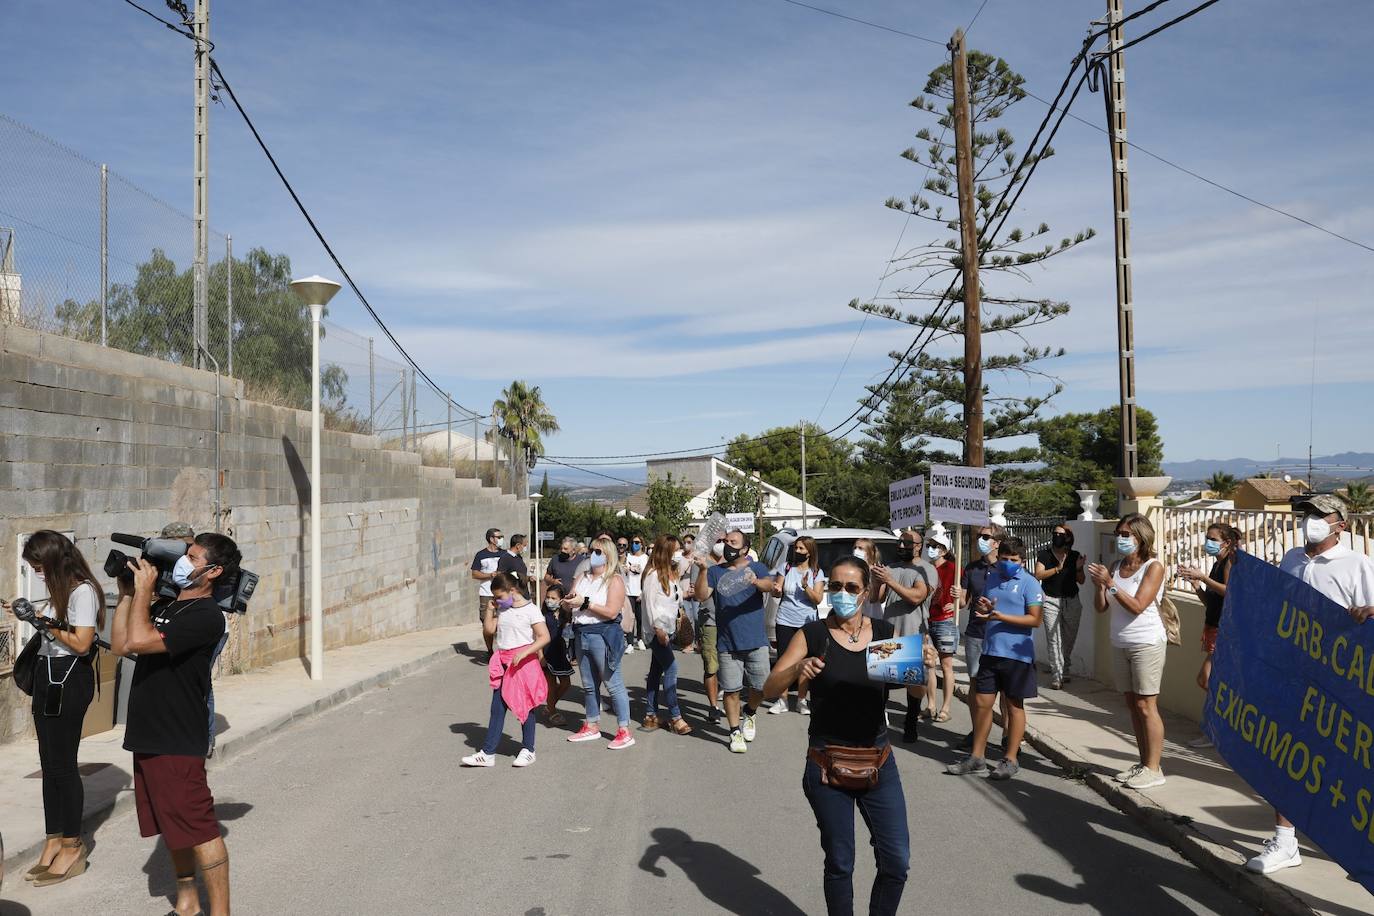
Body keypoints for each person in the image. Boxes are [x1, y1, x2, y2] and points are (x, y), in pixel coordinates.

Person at [764, 555, 909, 916]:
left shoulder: (885, 635)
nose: (841, 593)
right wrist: (799, 668)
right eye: (835, 586)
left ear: (865, 593)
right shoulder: (813, 635)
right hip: (827, 763)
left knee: (896, 862)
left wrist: (926, 668)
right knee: (841, 862)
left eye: (851, 587)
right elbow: (769, 688)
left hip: (878, 761)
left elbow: (911, 693)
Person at [112, 532, 240, 916]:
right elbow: (121, 645)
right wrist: (127, 594)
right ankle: (187, 903)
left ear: (214, 571)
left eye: (195, 557)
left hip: (177, 738)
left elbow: (139, 637)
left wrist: (145, 590)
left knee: (199, 827)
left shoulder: (207, 616)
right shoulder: (170, 605)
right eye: (186, 554)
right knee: (174, 825)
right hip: (149, 733)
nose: (185, 561)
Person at [1246, 494, 1373, 874]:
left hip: (1340, 684)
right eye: (1307, 514)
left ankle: (1354, 845)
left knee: (1343, 764)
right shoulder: (1291, 559)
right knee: (1288, 756)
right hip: (1293, 674)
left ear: (1341, 525)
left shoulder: (1358, 564)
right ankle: (1285, 841)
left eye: (1320, 515)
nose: (1311, 520)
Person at [5, 532, 102, 886]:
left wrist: (45, 623)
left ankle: (72, 845)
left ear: (55, 562)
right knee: (49, 766)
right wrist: (33, 617)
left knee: (63, 766)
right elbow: (54, 634)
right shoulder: (61, 593)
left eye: (40, 568)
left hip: (69, 681)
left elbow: (81, 642)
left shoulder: (83, 592)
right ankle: (52, 840)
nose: (38, 574)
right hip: (48, 678)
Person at [946, 537, 1043, 781]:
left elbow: (1035, 620)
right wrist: (989, 609)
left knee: (1014, 706)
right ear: (998, 558)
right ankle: (977, 757)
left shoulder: (1030, 584)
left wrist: (1000, 617)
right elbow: (991, 610)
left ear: (1022, 561)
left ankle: (1010, 759)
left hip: (1017, 655)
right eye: (1004, 559)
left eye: (1014, 560)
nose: (1008, 563)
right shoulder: (993, 579)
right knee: (981, 703)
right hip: (990, 651)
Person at [1087, 513, 1168, 790]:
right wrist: (1101, 587)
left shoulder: (1153, 567)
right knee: (1133, 706)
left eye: (1125, 534)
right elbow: (1101, 608)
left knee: (1147, 705)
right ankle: (1143, 763)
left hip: (1146, 642)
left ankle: (1155, 768)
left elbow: (1138, 605)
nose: (1120, 538)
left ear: (1140, 537)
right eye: (1119, 533)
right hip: (1120, 641)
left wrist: (1110, 584)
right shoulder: (1117, 565)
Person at [695, 530, 776, 754]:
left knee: (762, 688)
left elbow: (769, 586)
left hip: (755, 640)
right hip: (727, 642)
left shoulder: (756, 568)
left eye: (733, 542)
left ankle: (749, 712)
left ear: (744, 549)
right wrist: (702, 571)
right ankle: (734, 731)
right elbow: (702, 596)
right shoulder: (714, 571)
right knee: (731, 690)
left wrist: (755, 581)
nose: (727, 545)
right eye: (724, 541)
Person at [463, 573, 550, 767]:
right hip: (504, 662)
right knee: (497, 708)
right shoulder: (502, 609)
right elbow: (489, 630)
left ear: (512, 591)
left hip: (523, 663)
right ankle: (488, 753)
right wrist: (490, 609)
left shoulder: (531, 610)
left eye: (499, 596)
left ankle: (529, 749)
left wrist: (525, 653)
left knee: (525, 706)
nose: (497, 600)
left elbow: (544, 636)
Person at [563, 537, 635, 750]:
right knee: (588, 684)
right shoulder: (583, 577)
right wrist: (568, 603)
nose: (592, 555)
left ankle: (624, 730)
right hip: (581, 632)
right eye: (592, 550)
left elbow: (612, 611)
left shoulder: (614, 580)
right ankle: (591, 724)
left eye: (598, 551)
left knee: (612, 683)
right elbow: (572, 604)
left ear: (608, 555)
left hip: (603, 634)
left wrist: (585, 602)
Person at [1178, 521, 1239, 748]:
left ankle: (1221, 726)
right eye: (1208, 537)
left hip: (1225, 630)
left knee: (1206, 680)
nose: (1209, 542)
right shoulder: (1217, 564)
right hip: (1213, 627)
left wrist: (1203, 577)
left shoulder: (1229, 562)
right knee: (1213, 682)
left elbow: (1230, 591)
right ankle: (1215, 729)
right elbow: (1211, 600)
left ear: (1227, 542)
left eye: (1213, 539)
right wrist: (1196, 586)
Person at [870, 529, 932, 743]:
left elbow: (917, 597)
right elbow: (875, 599)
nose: (902, 546)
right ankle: (877, 723)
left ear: (918, 546)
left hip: (913, 632)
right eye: (900, 542)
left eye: (907, 542)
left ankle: (911, 721)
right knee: (881, 683)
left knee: (913, 685)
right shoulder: (891, 568)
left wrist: (891, 581)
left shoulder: (926, 569)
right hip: (889, 631)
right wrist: (878, 580)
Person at [951, 523, 1005, 749]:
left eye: (985, 536)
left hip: (1001, 634)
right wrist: (957, 595)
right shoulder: (971, 568)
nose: (980, 540)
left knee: (1004, 687)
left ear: (997, 542)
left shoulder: (1007, 568)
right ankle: (977, 730)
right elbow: (964, 602)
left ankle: (1009, 737)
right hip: (975, 634)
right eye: (979, 536)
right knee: (975, 683)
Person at [640, 535, 692, 735]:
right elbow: (651, 606)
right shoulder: (653, 575)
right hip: (657, 631)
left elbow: (673, 599)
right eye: (676, 550)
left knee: (655, 671)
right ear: (666, 551)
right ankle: (675, 716)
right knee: (671, 669)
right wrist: (659, 630)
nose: (679, 553)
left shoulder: (669, 573)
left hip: (669, 629)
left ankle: (650, 715)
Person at [769, 535, 826, 716]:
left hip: (807, 622)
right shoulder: (785, 568)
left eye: (801, 549)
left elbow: (818, 599)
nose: (797, 551)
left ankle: (801, 700)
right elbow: (777, 592)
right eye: (796, 548)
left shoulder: (817, 573)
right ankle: (782, 699)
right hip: (785, 619)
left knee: (805, 661)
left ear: (810, 552)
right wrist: (776, 590)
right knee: (784, 660)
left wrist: (805, 587)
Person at [1034, 523, 1086, 690]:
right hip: (1050, 600)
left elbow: (1081, 580)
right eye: (1055, 533)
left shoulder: (1074, 555)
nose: (1057, 537)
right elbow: (1038, 574)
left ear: (1068, 537)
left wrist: (1078, 569)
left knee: (1069, 637)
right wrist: (1057, 568)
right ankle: (1057, 675)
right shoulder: (1044, 555)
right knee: (1053, 637)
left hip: (1071, 600)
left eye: (1061, 534)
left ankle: (1065, 667)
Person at [923, 531, 959, 724]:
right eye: (929, 545)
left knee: (946, 665)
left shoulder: (954, 568)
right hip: (927, 620)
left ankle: (945, 708)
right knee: (929, 664)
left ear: (944, 550)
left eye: (935, 546)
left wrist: (957, 602)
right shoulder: (926, 569)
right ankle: (931, 705)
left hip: (945, 621)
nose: (931, 549)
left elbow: (963, 596)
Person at [697, 537, 727, 722]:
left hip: (731, 622)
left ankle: (732, 704)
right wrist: (704, 570)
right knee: (711, 666)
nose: (723, 543)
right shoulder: (702, 562)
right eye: (720, 539)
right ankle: (713, 707)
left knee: (732, 666)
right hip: (710, 621)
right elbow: (697, 593)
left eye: (727, 540)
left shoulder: (734, 564)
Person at [540, 583, 574, 724]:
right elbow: (537, 637)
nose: (549, 600)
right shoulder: (543, 616)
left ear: (561, 600)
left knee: (566, 683)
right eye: (548, 597)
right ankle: (553, 713)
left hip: (560, 653)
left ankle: (549, 705)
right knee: (551, 686)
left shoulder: (564, 615)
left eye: (553, 598)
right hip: (547, 654)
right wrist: (540, 656)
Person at [471, 528, 506, 646]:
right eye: (499, 537)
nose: (502, 539)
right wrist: (490, 575)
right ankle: (490, 650)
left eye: (502, 537)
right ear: (491, 539)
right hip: (486, 594)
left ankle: (502, 650)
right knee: (486, 624)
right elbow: (474, 574)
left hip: (502, 593)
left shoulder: (504, 554)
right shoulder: (481, 555)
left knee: (503, 623)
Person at [624, 535, 649, 651]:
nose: (635, 544)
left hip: (640, 592)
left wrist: (643, 592)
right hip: (628, 591)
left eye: (637, 542)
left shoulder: (645, 558)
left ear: (642, 544)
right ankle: (629, 643)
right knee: (629, 618)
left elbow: (647, 576)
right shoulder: (627, 556)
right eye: (633, 542)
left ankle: (639, 639)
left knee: (640, 618)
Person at [852, 538, 885, 618]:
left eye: (860, 548)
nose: (856, 550)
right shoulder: (851, 570)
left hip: (872, 616)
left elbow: (878, 599)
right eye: (855, 548)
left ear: (870, 552)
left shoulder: (877, 571)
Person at [679, 533, 698, 654]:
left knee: (697, 617)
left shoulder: (698, 556)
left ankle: (698, 642)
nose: (687, 544)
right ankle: (688, 643)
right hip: (684, 591)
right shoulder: (680, 558)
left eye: (689, 542)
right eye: (685, 542)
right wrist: (687, 565)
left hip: (696, 592)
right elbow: (677, 574)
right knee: (687, 618)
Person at [497, 534, 531, 598]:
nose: (525, 548)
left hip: (523, 594)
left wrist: (529, 578)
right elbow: (500, 577)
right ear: (518, 545)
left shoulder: (518, 557)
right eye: (524, 545)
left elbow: (520, 575)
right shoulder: (505, 558)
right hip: (513, 596)